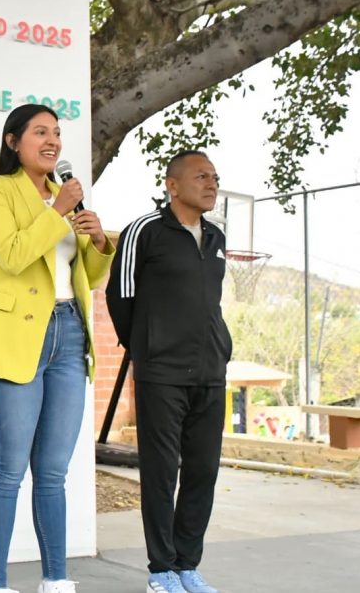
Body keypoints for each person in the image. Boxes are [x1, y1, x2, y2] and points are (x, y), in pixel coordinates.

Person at [0, 103, 114, 593]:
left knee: (53, 471)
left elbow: (83, 278)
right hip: (13, 337)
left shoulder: (61, 196)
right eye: (40, 132)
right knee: (8, 469)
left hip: (68, 335)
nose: (52, 141)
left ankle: (57, 580)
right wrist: (57, 212)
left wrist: (96, 243)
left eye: (57, 133)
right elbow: (10, 255)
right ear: (13, 141)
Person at [105, 150, 231, 593]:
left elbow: (209, 305)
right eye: (201, 176)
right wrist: (144, 348)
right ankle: (161, 571)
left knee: (203, 472)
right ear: (172, 185)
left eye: (215, 177)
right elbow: (120, 296)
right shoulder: (144, 231)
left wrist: (221, 348)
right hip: (161, 372)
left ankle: (187, 565)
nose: (212, 183)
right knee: (161, 473)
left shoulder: (215, 238)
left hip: (211, 373)